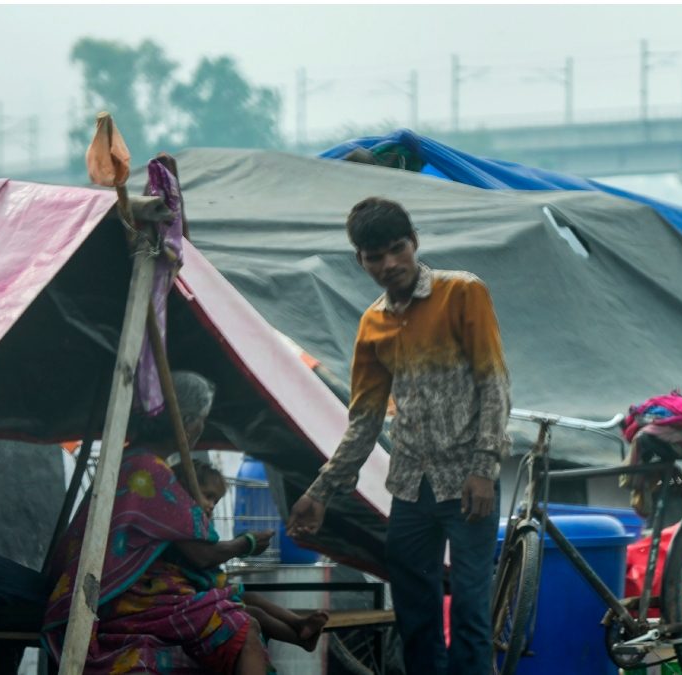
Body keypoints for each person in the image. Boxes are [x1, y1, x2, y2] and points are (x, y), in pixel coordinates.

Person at [287, 197, 511, 675]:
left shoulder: (463, 293)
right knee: (416, 619)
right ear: (361, 261)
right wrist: (320, 491)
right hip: (410, 489)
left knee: (471, 614)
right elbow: (365, 420)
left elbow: (493, 384)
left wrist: (484, 468)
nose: (389, 264)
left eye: (397, 249)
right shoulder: (372, 324)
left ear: (414, 243)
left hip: (469, 483)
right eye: (375, 257)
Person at [43, 372, 274, 674]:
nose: (199, 428)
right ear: (188, 423)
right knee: (241, 630)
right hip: (122, 604)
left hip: (127, 598)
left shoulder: (133, 460)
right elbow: (202, 554)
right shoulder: (149, 471)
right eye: (200, 419)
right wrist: (249, 543)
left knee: (240, 615)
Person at [171, 459, 331, 653]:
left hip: (205, 589)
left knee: (252, 597)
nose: (212, 505)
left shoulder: (198, 526)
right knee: (253, 613)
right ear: (184, 491)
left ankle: (298, 623)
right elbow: (204, 557)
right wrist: (245, 543)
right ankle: (300, 639)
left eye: (216, 501)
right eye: (208, 496)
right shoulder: (176, 526)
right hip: (188, 595)